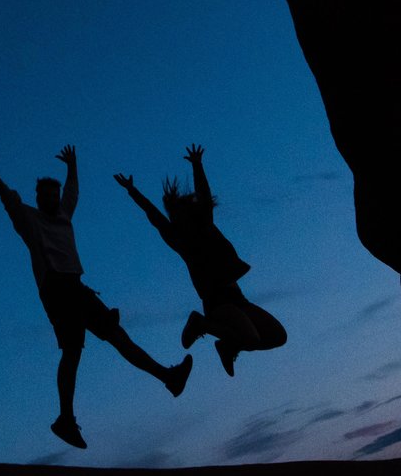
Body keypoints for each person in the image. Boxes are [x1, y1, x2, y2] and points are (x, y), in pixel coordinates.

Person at [0, 143, 191, 448]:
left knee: (118, 337)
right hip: (56, 291)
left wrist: (72, 166)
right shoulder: (27, 219)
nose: (52, 199)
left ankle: (168, 377)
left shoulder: (64, 215)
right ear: (37, 198)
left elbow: (73, 192)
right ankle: (66, 420)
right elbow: (5, 194)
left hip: (78, 289)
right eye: (46, 195)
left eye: (54, 195)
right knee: (73, 352)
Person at [113, 144, 287, 377]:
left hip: (238, 298)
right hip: (217, 303)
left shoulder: (206, 226)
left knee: (278, 336)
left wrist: (197, 165)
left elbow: (204, 196)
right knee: (251, 338)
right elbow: (154, 217)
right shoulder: (180, 240)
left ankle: (226, 345)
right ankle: (201, 324)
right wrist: (132, 192)